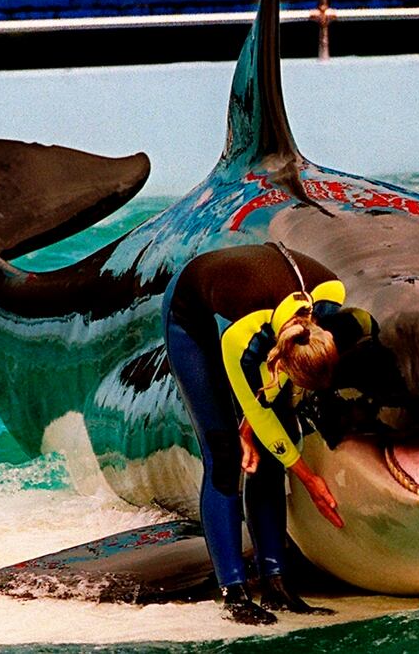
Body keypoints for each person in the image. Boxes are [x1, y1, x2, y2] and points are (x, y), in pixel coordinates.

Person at [161, 241, 346, 625]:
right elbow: (255, 402)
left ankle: (276, 583)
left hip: (271, 311)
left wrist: (257, 428)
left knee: (268, 451)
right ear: (281, 360)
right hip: (189, 312)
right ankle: (234, 593)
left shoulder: (331, 301)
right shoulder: (241, 338)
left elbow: (270, 395)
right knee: (225, 454)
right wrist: (309, 479)